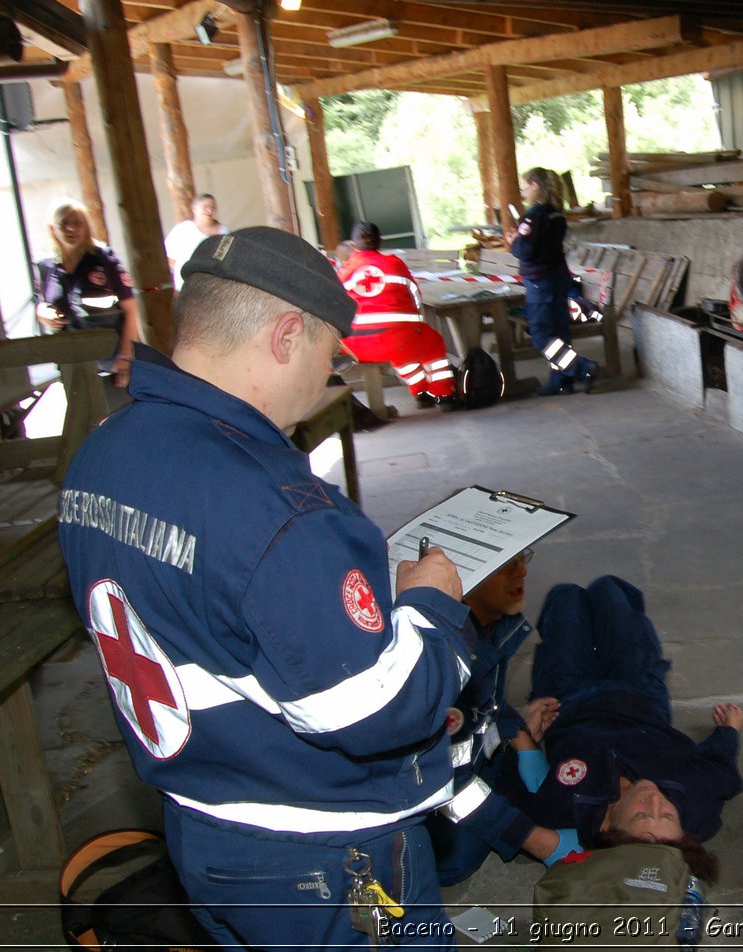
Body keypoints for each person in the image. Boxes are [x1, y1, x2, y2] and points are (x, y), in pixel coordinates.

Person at [58, 226, 476, 949]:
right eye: (328, 346)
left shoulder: (101, 453)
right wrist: (431, 602)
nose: (334, 365)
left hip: (202, 829)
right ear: (286, 334)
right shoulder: (275, 507)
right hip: (320, 862)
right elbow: (377, 708)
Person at [496, 575, 743, 882]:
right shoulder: (697, 805)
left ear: (606, 826)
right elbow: (721, 771)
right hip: (639, 694)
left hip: (566, 700)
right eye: (668, 815)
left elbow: (509, 790)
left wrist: (525, 738)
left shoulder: (563, 810)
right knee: (609, 591)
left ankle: (570, 604)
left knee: (566, 597)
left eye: (641, 815)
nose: (656, 800)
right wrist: (729, 731)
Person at [424, 547, 595, 884]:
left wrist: (519, 737)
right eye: (506, 567)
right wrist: (535, 840)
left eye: (522, 558)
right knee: (452, 860)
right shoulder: (440, 663)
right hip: (432, 781)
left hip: (465, 757)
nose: (522, 573)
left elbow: (487, 702)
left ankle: (498, 781)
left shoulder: (489, 624)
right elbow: (444, 780)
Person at [338, 220, 461, 408]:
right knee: (432, 344)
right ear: (380, 243)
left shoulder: (344, 271)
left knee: (400, 351)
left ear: (353, 246)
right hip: (398, 340)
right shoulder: (394, 264)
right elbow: (415, 297)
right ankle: (443, 395)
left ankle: (421, 391)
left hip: (355, 346)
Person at [509, 168, 598, 396]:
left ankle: (580, 367)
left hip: (540, 281)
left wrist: (514, 240)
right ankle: (561, 382)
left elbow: (525, 251)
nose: (522, 192)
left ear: (535, 186)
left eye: (524, 187)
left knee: (540, 335)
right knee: (559, 332)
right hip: (558, 279)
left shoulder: (533, 216)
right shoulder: (556, 215)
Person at [33, 199, 139, 388]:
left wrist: (125, 356)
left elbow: (131, 310)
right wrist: (41, 312)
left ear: (86, 226)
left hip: (111, 360)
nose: (71, 229)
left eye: (77, 223)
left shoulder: (105, 259)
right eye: (64, 223)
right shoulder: (46, 267)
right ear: (52, 228)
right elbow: (40, 302)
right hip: (72, 362)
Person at [163, 193, 226, 290]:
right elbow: (169, 258)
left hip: (215, 287)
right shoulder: (182, 229)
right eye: (205, 207)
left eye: (212, 207)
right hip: (186, 286)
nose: (209, 211)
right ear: (194, 209)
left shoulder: (224, 231)